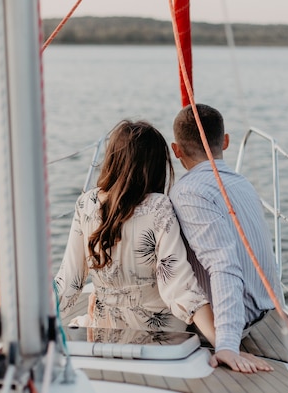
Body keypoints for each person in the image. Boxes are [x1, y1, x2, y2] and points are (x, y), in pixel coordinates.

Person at [54, 120, 218, 350]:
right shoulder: (158, 207)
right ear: (156, 166)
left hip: (105, 331)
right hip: (159, 334)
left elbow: (69, 283)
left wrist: (26, 327)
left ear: (113, 160)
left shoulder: (86, 203)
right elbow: (180, 287)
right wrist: (223, 346)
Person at [169, 103, 282, 372]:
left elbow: (223, 265)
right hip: (265, 312)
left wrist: (227, 345)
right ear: (227, 141)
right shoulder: (242, 183)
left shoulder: (188, 193)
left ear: (176, 150)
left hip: (234, 324)